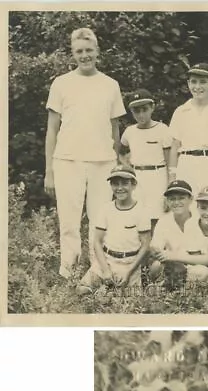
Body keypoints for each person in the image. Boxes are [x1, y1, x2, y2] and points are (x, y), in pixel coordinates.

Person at [44, 27, 126, 278]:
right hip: (67, 160)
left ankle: (97, 270)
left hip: (103, 162)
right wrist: (49, 170)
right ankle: (67, 271)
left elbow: (114, 128)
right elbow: (52, 130)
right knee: (69, 221)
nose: (84, 55)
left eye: (89, 50)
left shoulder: (110, 85)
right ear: (72, 53)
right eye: (79, 51)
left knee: (99, 221)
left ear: (97, 51)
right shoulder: (61, 83)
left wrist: (117, 162)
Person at [77, 165, 151, 294]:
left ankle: (109, 292)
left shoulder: (141, 211)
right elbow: (97, 242)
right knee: (82, 290)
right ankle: (102, 291)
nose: (120, 188)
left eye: (125, 183)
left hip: (129, 264)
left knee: (127, 302)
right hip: (106, 262)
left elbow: (145, 245)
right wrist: (105, 271)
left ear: (134, 185)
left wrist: (129, 272)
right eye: (115, 184)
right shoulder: (105, 209)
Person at [158, 186, 208, 286]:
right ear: (197, 208)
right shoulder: (190, 224)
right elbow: (196, 258)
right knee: (199, 272)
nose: (207, 213)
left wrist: (175, 256)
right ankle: (193, 300)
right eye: (203, 208)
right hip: (198, 266)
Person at [168, 63, 208, 197]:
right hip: (185, 164)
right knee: (186, 209)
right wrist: (172, 176)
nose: (198, 87)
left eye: (203, 82)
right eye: (194, 82)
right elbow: (174, 146)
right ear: (188, 84)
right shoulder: (181, 111)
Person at [119, 88, 171, 227]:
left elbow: (169, 161)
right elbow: (120, 152)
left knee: (157, 219)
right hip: (137, 179)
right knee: (136, 218)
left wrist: (169, 190)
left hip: (157, 178)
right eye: (136, 111)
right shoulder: (129, 131)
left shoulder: (162, 129)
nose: (141, 114)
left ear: (152, 107)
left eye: (144, 109)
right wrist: (127, 166)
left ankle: (155, 248)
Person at [148, 180, 194, 286]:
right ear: (167, 202)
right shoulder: (164, 221)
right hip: (172, 265)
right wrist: (156, 251)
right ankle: (163, 290)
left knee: (200, 272)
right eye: (172, 199)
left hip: (195, 264)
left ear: (191, 199)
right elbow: (156, 249)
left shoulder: (198, 219)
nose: (177, 203)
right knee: (156, 266)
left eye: (181, 198)